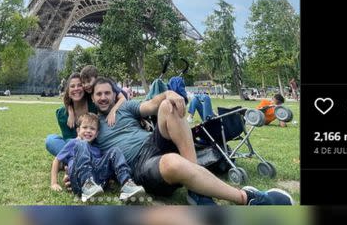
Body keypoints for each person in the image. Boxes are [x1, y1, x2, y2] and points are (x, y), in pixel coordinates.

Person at [88, 77, 293, 205]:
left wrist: (169, 92)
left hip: (153, 143)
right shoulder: (92, 126)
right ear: (93, 98)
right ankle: (247, 198)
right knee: (172, 162)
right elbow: (73, 149)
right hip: (140, 166)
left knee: (169, 105)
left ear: (115, 95)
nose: (104, 97)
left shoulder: (125, 108)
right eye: (99, 94)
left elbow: (151, 104)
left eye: (107, 93)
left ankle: (196, 190)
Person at [50, 112, 146, 203]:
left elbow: (103, 166)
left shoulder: (97, 149)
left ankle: (127, 183)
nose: (88, 131)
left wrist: (110, 179)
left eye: (92, 129)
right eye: (85, 127)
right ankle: (87, 185)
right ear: (78, 130)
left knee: (115, 150)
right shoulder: (74, 143)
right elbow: (56, 160)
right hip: (79, 182)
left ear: (96, 134)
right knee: (82, 143)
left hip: (98, 184)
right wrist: (54, 183)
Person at [46, 72, 97, 156]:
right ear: (68, 90)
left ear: (84, 87)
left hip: (93, 145)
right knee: (50, 140)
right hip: (73, 146)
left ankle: (69, 160)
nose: (76, 89)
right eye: (72, 86)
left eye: (79, 85)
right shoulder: (62, 113)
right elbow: (67, 139)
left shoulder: (94, 105)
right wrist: (70, 110)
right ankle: (75, 159)